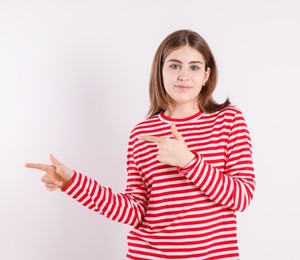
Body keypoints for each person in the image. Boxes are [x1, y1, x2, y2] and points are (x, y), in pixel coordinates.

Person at [25, 29, 256, 260]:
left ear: (206, 75)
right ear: (160, 71)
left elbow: (242, 196)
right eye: (174, 66)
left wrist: (189, 162)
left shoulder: (229, 120)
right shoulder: (142, 133)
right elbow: (134, 210)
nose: (183, 75)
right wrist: (72, 181)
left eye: (194, 67)